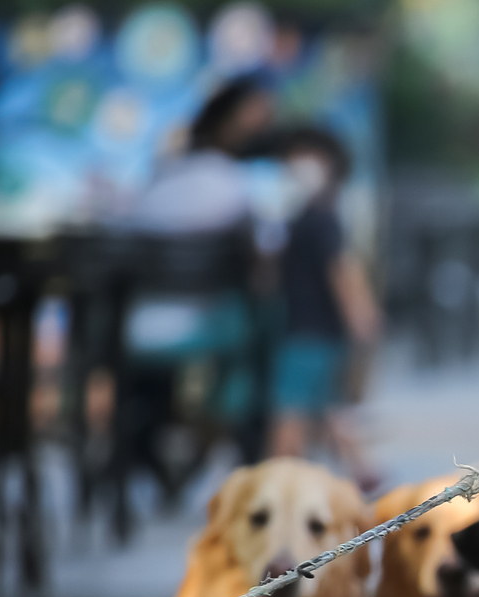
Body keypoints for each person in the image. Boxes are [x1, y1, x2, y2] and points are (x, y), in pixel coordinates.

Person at [268, 125, 382, 491]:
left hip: (308, 332)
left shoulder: (318, 217)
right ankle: (361, 470)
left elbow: (342, 271)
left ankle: (282, 486)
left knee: (291, 413)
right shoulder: (303, 215)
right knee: (329, 408)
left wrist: (361, 317)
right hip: (315, 330)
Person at [128, 74, 275, 231]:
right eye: (260, 119)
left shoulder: (165, 179)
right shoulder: (231, 185)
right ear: (223, 121)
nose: (266, 128)